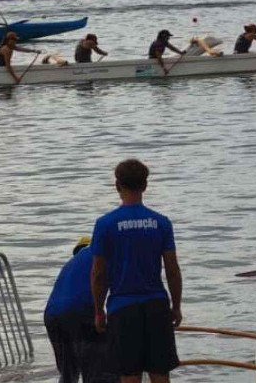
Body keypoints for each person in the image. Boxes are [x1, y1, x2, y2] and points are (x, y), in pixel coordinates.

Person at [91, 159, 182, 383]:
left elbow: (99, 274)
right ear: (145, 186)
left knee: (130, 376)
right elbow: (172, 270)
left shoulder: (105, 224)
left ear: (117, 186)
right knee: (160, 375)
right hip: (156, 305)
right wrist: (176, 306)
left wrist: (99, 310)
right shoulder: (161, 223)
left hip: (122, 308)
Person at [45, 237, 117, 383]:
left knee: (68, 374)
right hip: (79, 312)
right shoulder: (104, 254)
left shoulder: (71, 263)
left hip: (52, 316)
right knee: (101, 373)